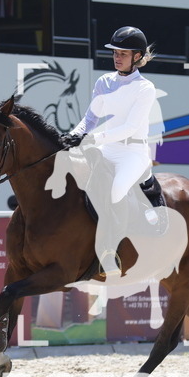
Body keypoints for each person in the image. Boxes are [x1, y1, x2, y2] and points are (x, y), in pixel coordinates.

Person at [65, 26, 158, 278]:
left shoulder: (145, 88)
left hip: (133, 153)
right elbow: (90, 118)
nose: (117, 57)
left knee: (116, 190)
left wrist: (93, 138)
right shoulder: (104, 82)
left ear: (137, 57)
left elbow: (130, 127)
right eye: (116, 52)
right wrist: (74, 135)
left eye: (123, 53)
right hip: (106, 148)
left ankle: (110, 253)